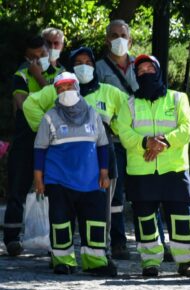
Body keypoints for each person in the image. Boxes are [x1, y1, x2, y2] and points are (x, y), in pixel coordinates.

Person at [24, 47, 128, 237]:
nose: (84, 67)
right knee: (63, 213)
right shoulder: (57, 89)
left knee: (101, 212)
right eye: (78, 63)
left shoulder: (109, 92)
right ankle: (61, 253)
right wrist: (46, 129)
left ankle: (104, 250)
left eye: (88, 63)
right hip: (63, 168)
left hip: (100, 163)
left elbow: (129, 111)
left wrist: (116, 128)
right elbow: (30, 104)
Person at [114, 54, 190, 278]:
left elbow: (187, 129)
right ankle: (150, 263)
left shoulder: (178, 98)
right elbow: (124, 133)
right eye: (140, 71)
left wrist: (163, 142)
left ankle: (186, 262)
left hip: (174, 170)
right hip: (141, 171)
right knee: (145, 219)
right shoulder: (129, 104)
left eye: (150, 68)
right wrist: (146, 142)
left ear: (159, 71)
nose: (145, 73)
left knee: (181, 217)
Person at [33, 73, 113, 275]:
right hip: (58, 180)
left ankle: (95, 262)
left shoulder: (93, 114)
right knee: (60, 221)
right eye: (60, 88)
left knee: (95, 221)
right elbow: (39, 149)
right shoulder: (50, 116)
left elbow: (103, 145)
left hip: (91, 181)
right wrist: (38, 179)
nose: (65, 91)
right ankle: (63, 261)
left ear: (77, 88)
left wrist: (104, 173)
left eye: (69, 86)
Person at [4, 35, 63, 257]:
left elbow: (61, 102)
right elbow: (23, 105)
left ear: (49, 53)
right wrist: (39, 81)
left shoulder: (60, 75)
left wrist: (40, 80)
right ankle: (11, 239)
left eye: (42, 55)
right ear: (26, 58)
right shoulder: (20, 75)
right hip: (25, 139)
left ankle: (55, 240)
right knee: (17, 188)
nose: (38, 61)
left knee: (54, 190)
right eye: (33, 57)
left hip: (54, 141)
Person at [97, 19, 140, 259]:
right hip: (113, 140)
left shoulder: (143, 65)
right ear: (107, 39)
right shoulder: (99, 69)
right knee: (115, 193)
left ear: (130, 40)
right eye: (113, 35)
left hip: (139, 138)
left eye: (123, 35)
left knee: (144, 191)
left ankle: (152, 243)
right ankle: (117, 242)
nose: (118, 40)